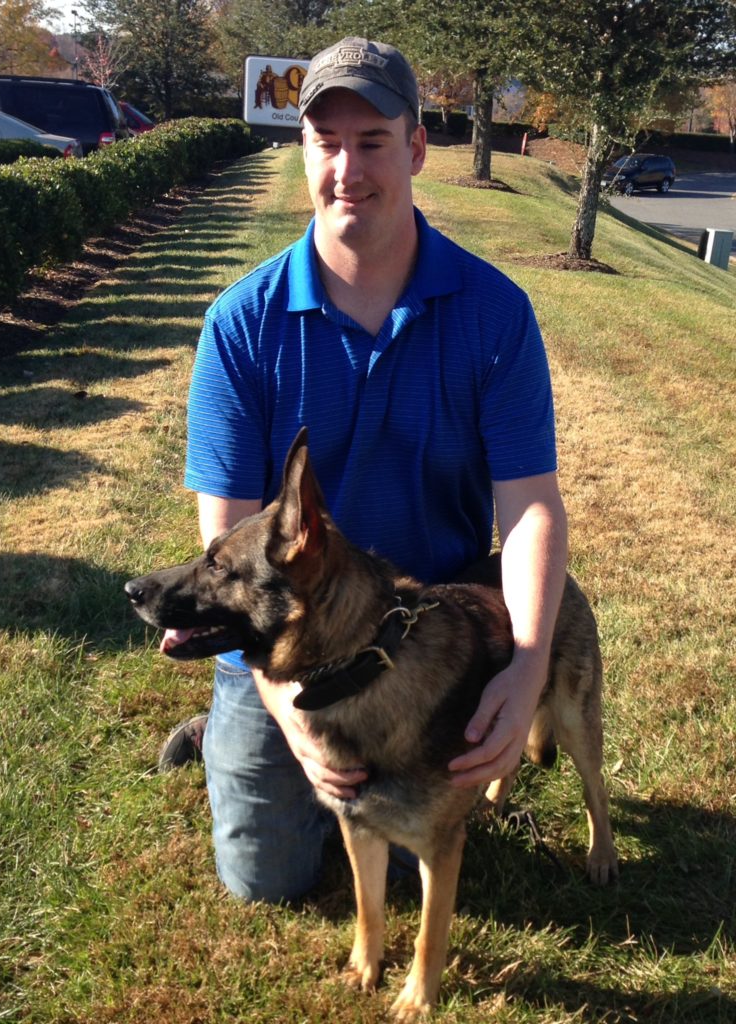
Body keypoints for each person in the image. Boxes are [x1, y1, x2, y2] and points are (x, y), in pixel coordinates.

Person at [159, 36, 568, 903]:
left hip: (430, 630)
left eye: (372, 140)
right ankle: (227, 727)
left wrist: (527, 666)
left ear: (416, 148)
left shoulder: (495, 313)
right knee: (266, 879)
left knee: (435, 848)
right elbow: (225, 529)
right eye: (327, 141)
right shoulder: (242, 325)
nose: (348, 168)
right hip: (289, 637)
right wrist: (283, 708)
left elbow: (530, 507)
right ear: (302, 149)